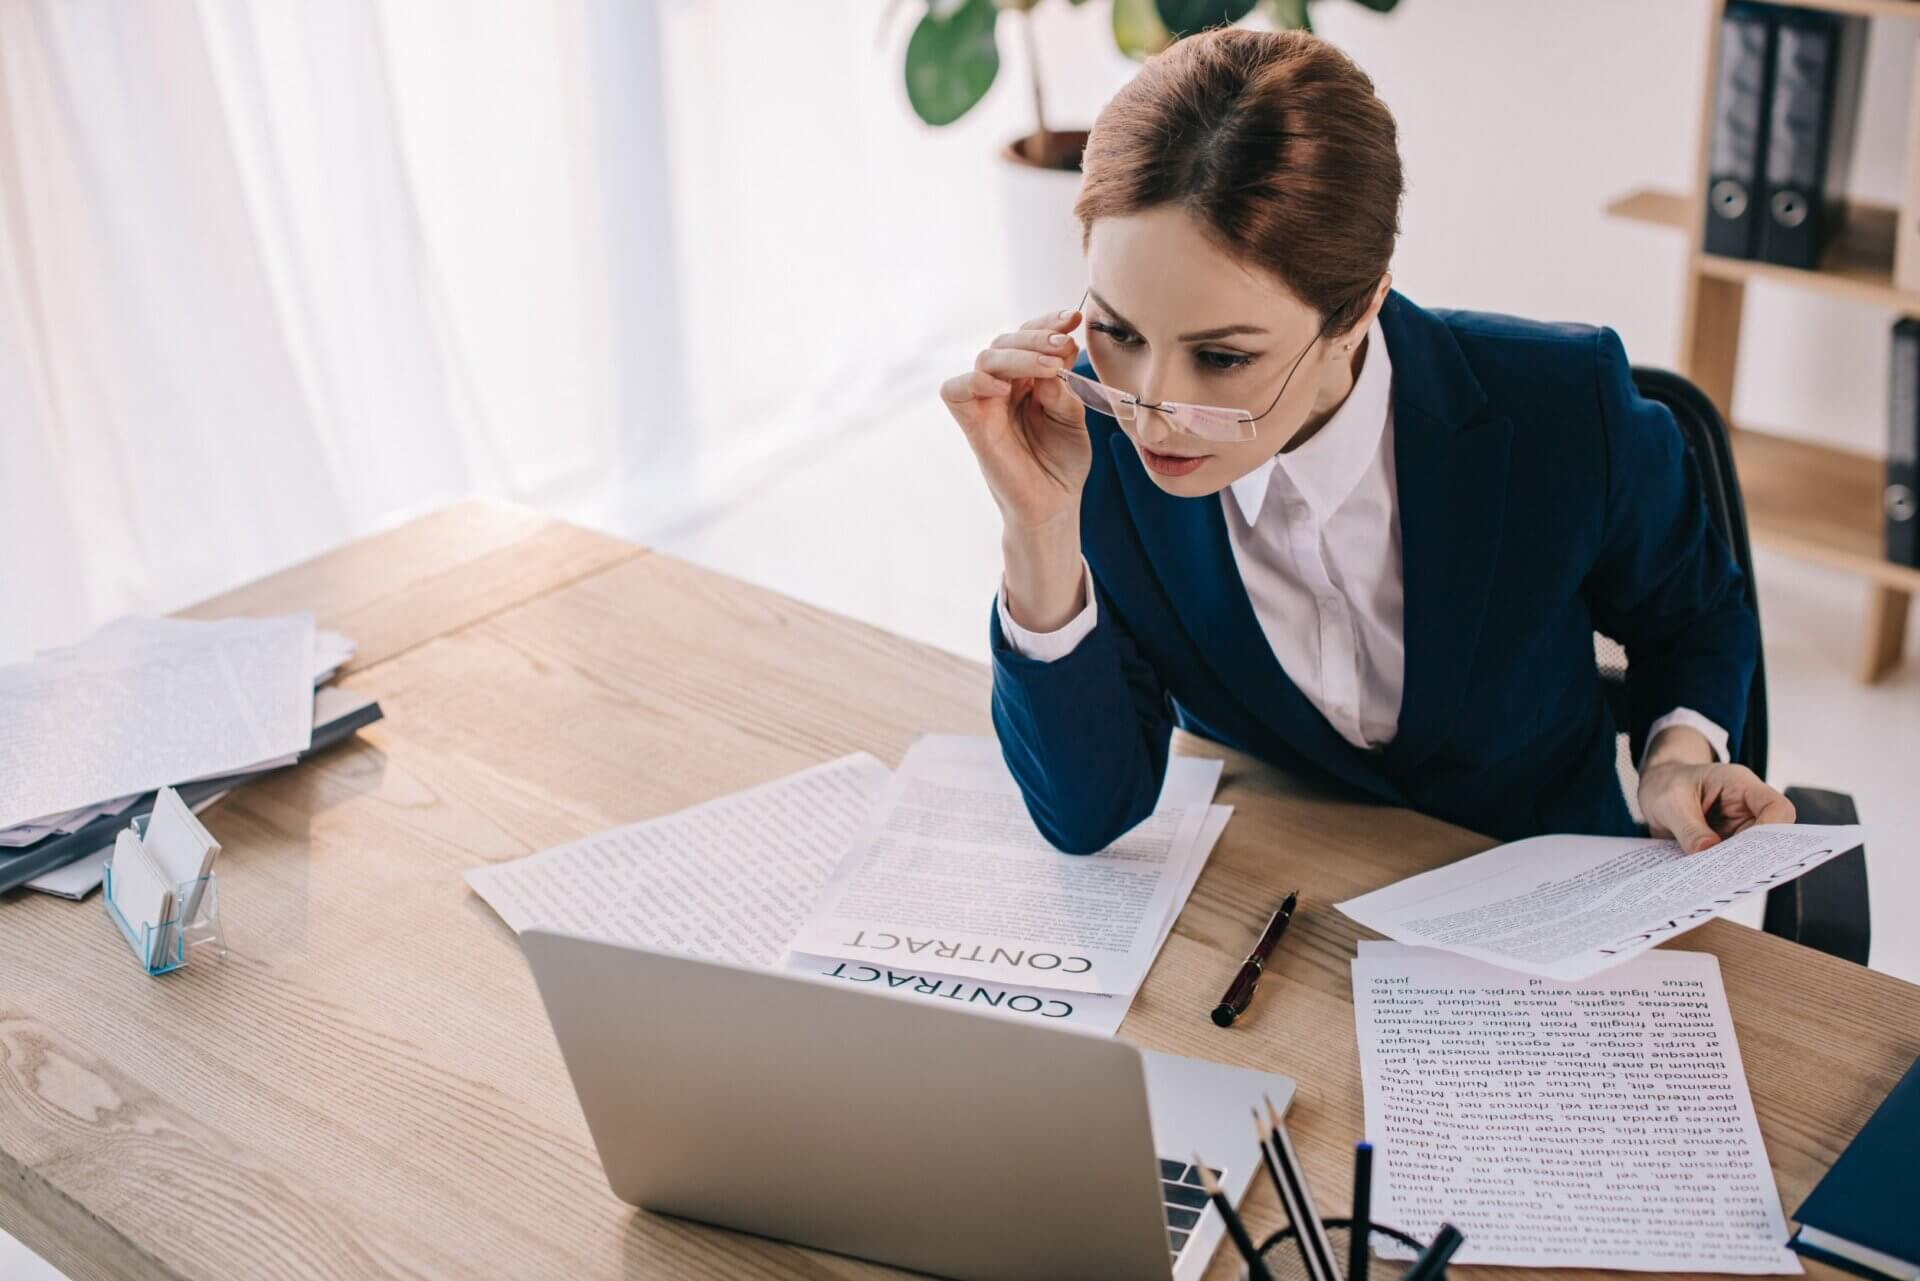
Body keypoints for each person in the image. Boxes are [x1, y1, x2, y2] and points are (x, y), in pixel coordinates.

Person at [939, 27, 1795, 854]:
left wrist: (1675, 759)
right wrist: (1040, 530)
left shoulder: (1562, 406)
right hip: (1291, 911)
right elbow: (1087, 814)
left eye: (1224, 356)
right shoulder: (1097, 439)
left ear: (1354, 314)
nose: (1153, 410)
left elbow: (1694, 614)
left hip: (1548, 904)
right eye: (1117, 332)